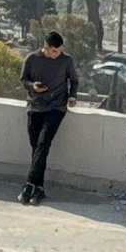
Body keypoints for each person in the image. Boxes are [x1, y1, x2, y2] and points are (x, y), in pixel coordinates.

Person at [18, 29, 78, 206]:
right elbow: (23, 80)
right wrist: (33, 86)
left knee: (44, 143)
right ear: (46, 47)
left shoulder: (67, 61)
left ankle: (29, 184)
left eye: (60, 50)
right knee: (37, 147)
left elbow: (74, 81)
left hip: (56, 107)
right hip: (35, 106)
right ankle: (39, 188)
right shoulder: (31, 59)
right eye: (54, 51)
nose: (58, 53)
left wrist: (72, 96)